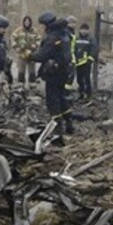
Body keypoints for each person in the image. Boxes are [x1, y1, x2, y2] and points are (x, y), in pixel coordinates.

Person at [31, 11, 75, 141]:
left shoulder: (52, 37)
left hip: (54, 73)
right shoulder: (65, 33)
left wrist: (29, 55)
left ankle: (57, 127)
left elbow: (42, 55)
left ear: (46, 24)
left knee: (52, 100)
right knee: (62, 98)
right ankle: (69, 123)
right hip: (64, 70)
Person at [10, 14, 40, 85]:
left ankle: (32, 84)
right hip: (21, 53)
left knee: (32, 70)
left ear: (30, 22)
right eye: (25, 21)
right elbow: (12, 39)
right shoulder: (18, 30)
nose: (27, 23)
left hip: (31, 53)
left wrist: (35, 45)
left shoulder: (34, 31)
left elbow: (39, 39)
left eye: (28, 21)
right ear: (23, 22)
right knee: (21, 69)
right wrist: (16, 47)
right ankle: (21, 84)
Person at [73, 21, 99, 99]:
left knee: (86, 78)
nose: (84, 31)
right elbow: (74, 49)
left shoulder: (91, 38)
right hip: (78, 62)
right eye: (82, 29)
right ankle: (81, 93)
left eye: (86, 29)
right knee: (79, 79)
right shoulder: (76, 38)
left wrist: (90, 58)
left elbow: (94, 49)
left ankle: (88, 94)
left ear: (88, 30)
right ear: (80, 30)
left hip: (86, 62)